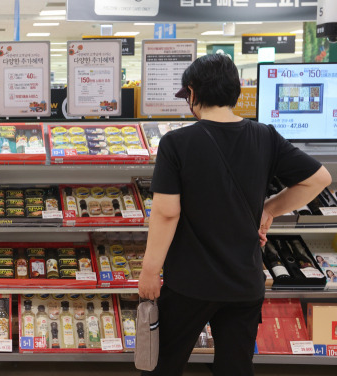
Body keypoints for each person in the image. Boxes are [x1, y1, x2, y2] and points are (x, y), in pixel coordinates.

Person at [138, 54, 331, 376]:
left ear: (193, 93)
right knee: (236, 366)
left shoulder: (178, 142)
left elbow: (167, 214)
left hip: (190, 281)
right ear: (235, 91)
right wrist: (269, 209)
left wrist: (149, 271)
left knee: (164, 364)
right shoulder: (265, 136)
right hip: (244, 281)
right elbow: (319, 179)